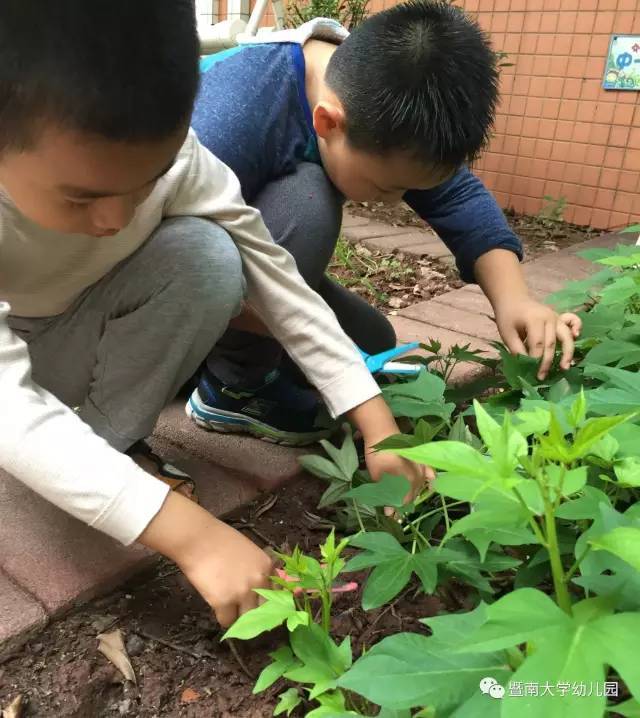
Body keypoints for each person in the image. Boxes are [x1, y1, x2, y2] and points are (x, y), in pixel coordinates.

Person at [0, 0, 428, 628]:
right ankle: (86, 474)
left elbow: (276, 278)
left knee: (210, 254)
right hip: (18, 359)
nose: (116, 220)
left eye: (145, 182)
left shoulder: (182, 156)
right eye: (81, 196)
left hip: (75, 331)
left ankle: (103, 448)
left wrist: (375, 421)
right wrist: (193, 538)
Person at [189, 1, 581, 446]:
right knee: (308, 199)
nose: (396, 204)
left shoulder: (385, 104)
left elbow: (458, 195)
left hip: (247, 281)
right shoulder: (232, 119)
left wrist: (515, 299)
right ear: (326, 122)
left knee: (374, 342)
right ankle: (234, 386)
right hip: (165, 298)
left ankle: (256, 361)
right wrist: (324, 350)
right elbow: (170, 265)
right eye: (385, 187)